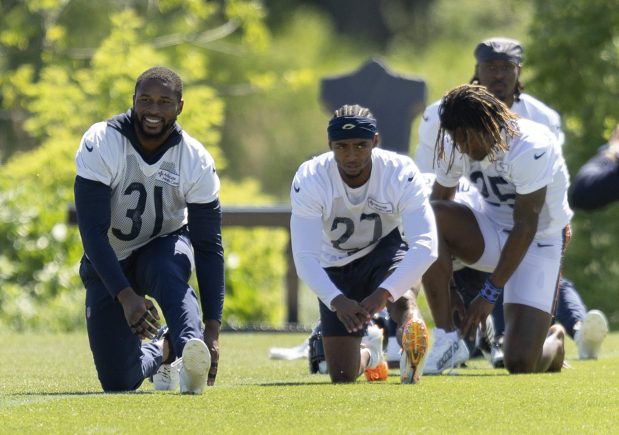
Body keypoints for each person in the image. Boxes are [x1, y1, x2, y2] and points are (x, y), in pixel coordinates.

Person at [416, 37, 597, 369]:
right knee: (430, 216)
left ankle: (554, 341)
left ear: (490, 126)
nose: (463, 147)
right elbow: (436, 207)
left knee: (518, 362)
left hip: (538, 240)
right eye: (456, 138)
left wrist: (488, 293)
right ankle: (447, 339)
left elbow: (526, 225)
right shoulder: (456, 138)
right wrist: (447, 283)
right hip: (491, 227)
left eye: (468, 137)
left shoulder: (531, 144)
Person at [74, 66, 224, 393]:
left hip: (164, 243)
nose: (154, 110)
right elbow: (92, 231)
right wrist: (126, 296)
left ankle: (190, 349)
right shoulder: (102, 141)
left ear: (180, 106)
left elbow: (209, 246)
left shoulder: (194, 158)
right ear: (133, 101)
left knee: (166, 267)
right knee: (118, 381)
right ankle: (166, 348)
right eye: (146, 100)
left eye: (164, 102)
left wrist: (212, 330)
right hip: (111, 257)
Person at [290, 104, 438, 383]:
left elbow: (426, 244)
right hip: (334, 263)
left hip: (383, 250)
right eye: (342, 146)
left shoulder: (399, 171)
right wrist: (337, 301)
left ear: (375, 142)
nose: (351, 155)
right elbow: (305, 256)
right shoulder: (311, 177)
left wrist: (383, 295)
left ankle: (410, 336)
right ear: (330, 145)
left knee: (402, 298)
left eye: (360, 146)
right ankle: (372, 353)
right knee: (342, 376)